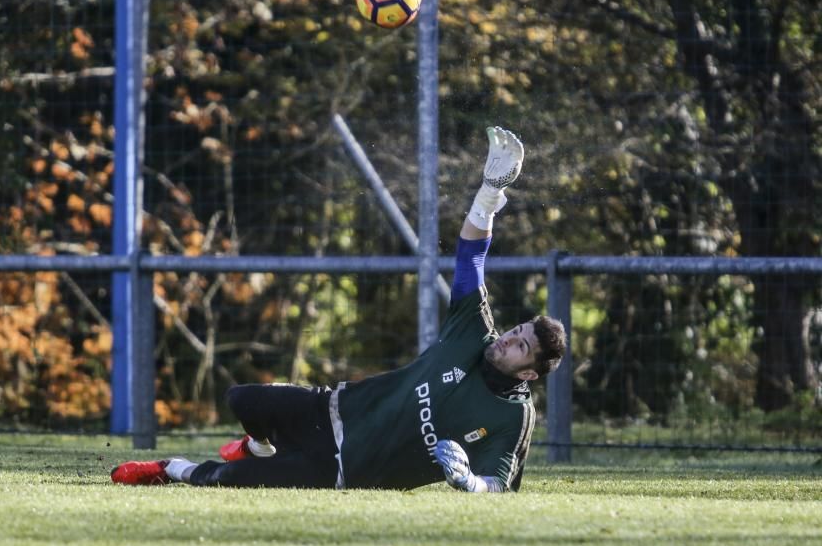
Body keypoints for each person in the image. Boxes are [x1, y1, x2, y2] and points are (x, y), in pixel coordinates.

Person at [112, 126, 567, 493]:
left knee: (227, 479)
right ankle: (260, 445)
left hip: (346, 471)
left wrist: (470, 482)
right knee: (242, 399)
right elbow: (470, 257)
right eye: (517, 329)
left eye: (520, 346)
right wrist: (489, 193)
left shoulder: (512, 416)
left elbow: (500, 484)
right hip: (331, 411)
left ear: (528, 373)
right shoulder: (475, 333)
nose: (508, 339)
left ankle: (168, 468)